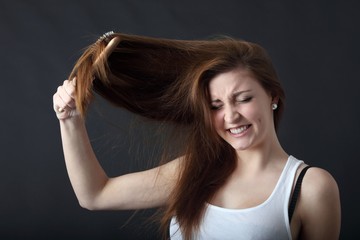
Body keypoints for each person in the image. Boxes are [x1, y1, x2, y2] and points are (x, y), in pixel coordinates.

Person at [53, 31, 341, 240]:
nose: (230, 116)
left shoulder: (310, 188)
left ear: (273, 97)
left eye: (242, 99)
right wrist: (69, 119)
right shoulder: (193, 170)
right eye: (215, 106)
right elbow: (95, 195)